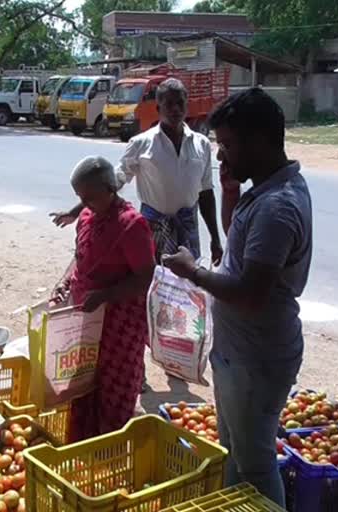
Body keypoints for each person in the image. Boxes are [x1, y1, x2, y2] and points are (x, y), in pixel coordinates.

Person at [162, 88, 312, 507]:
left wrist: (194, 271)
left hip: (256, 356)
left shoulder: (277, 206)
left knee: (255, 463)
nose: (221, 158)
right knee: (233, 451)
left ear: (260, 140)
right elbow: (240, 250)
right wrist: (229, 195)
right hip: (240, 352)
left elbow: (250, 294)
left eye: (227, 146)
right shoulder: (264, 191)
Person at [50, 78, 222, 265]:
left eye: (180, 103)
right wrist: (75, 211)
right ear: (158, 109)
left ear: (186, 106)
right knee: (150, 283)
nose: (175, 109)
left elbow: (206, 192)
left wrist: (215, 238)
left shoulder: (201, 144)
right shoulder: (141, 144)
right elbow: (115, 181)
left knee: (187, 286)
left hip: (188, 228)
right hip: (152, 227)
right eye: (169, 104)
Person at [51, 156, 156, 442]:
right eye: (80, 198)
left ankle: (110, 452)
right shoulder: (86, 216)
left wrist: (106, 295)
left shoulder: (131, 225)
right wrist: (64, 283)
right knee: (83, 386)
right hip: (87, 319)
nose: (85, 204)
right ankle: (82, 445)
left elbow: (146, 277)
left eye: (91, 197)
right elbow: (79, 257)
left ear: (111, 188)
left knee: (115, 390)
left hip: (120, 323)